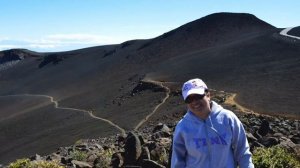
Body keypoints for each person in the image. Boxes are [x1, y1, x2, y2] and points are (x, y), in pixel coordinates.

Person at [171, 78, 254, 168]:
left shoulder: (228, 118)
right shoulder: (182, 127)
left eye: (198, 96)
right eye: (189, 99)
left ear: (208, 95)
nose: (194, 102)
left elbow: (243, 152)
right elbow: (177, 162)